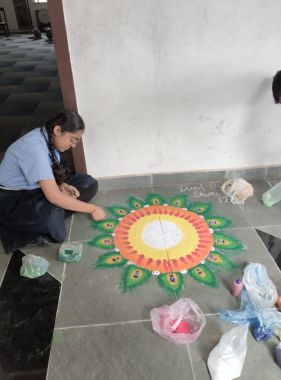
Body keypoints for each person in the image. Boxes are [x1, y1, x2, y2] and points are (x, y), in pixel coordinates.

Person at [0, 109, 106, 254]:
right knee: (55, 225)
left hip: (36, 188)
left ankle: (55, 211)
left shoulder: (47, 136)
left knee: (88, 183)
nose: (74, 145)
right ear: (57, 130)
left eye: (76, 141)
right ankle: (52, 215)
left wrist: (62, 186)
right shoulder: (34, 147)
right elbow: (53, 196)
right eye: (72, 139)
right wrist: (92, 209)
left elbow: (46, 175)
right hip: (13, 198)